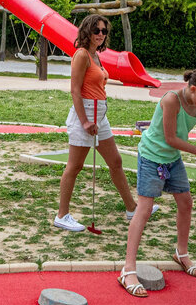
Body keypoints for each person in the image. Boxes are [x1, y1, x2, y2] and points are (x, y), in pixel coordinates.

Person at [118, 65, 196, 296]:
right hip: (151, 157)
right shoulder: (171, 100)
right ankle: (128, 270)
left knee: (186, 203)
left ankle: (181, 253)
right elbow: (170, 138)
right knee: (144, 209)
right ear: (194, 89)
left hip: (172, 160)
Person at [54, 14, 152, 231]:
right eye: (96, 30)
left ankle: (132, 208)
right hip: (86, 115)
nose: (100, 34)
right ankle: (62, 215)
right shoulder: (82, 55)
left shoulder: (95, 55)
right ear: (87, 31)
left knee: (115, 161)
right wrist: (85, 121)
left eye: (104, 31)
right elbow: (75, 90)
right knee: (75, 166)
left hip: (100, 115)